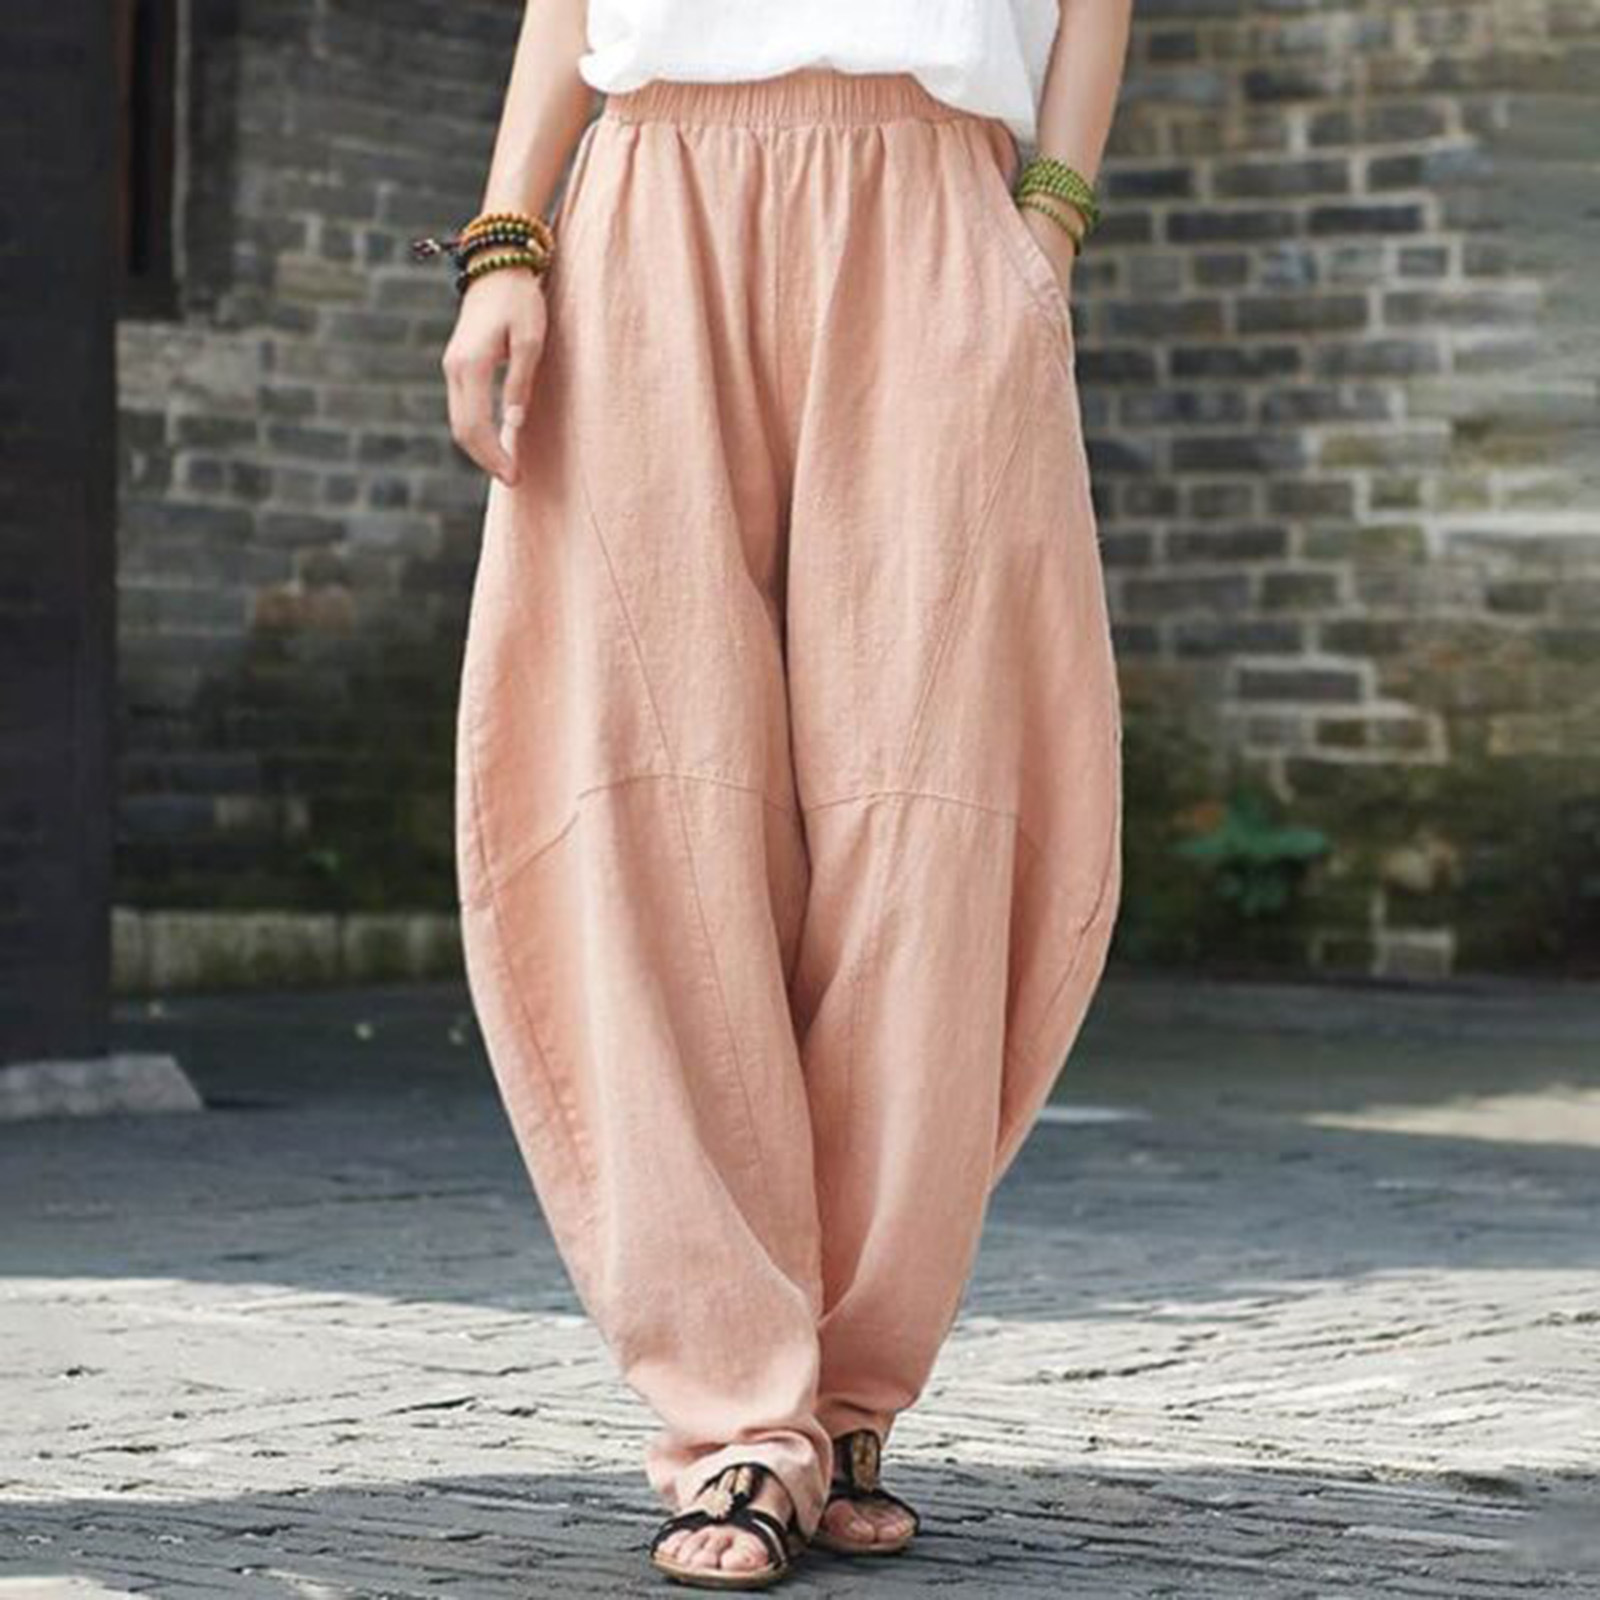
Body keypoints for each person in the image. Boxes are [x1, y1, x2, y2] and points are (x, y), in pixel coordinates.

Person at [425, 0, 1131, 1588]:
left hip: (937, 198)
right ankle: (738, 1414)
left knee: (929, 810)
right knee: (650, 801)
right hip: (653, 198)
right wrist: (505, 241)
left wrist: (1048, 226)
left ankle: (850, 1384)